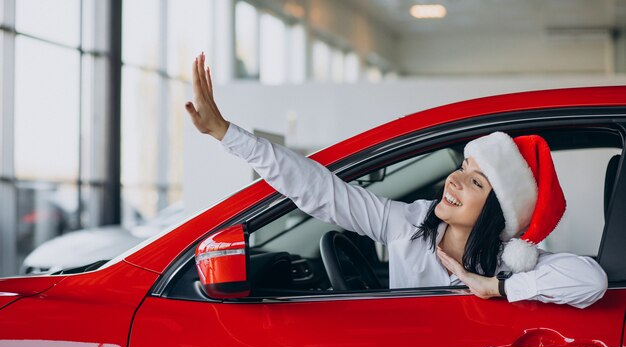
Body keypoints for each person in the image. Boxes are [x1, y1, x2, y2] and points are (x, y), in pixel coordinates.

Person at [185, 52, 608, 309]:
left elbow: (591, 281)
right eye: (462, 170)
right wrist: (226, 133)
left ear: (498, 214)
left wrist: (495, 287)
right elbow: (318, 190)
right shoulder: (406, 225)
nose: (455, 182)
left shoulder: (509, 264)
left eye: (476, 183)